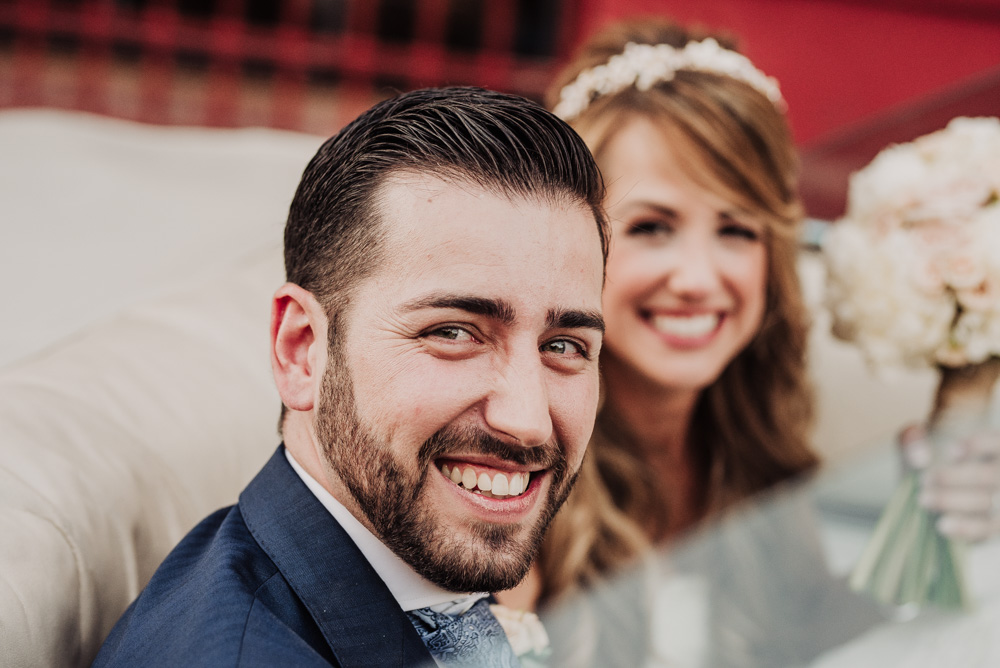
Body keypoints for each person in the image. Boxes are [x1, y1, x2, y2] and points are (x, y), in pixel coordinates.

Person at [497, 17, 1000, 667]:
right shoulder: (516, 482)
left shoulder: (749, 451)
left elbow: (802, 642)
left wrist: (921, 518)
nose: (699, 279)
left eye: (735, 229)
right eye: (653, 227)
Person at [92, 86, 609, 667]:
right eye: (453, 332)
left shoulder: (412, 568)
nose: (527, 419)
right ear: (303, 350)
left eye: (563, 345)